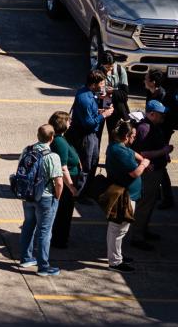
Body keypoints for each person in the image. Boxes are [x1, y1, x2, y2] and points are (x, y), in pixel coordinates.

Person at [16, 123, 64, 275]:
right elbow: (59, 182)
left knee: (28, 225)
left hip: (28, 196)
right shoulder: (52, 156)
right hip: (45, 198)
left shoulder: (27, 150)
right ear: (52, 138)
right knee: (44, 232)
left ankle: (25, 258)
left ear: (38, 136)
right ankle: (43, 266)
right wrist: (57, 197)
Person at [128, 99, 171, 251]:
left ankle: (144, 230)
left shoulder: (153, 126)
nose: (163, 117)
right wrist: (164, 151)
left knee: (150, 203)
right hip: (149, 174)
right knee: (144, 205)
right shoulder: (145, 129)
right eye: (161, 114)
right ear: (152, 114)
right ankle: (137, 236)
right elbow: (143, 153)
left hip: (155, 171)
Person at [107, 120, 148, 271]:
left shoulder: (117, 146)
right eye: (134, 135)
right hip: (124, 196)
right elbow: (134, 172)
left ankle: (117, 256)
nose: (135, 138)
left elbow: (132, 153)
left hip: (128, 194)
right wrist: (144, 164)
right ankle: (115, 262)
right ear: (126, 136)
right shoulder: (120, 151)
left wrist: (141, 159)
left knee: (119, 229)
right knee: (118, 229)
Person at [67, 69, 114, 200]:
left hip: (90, 135)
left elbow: (88, 113)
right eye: (102, 83)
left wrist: (98, 111)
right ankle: (79, 195)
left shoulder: (86, 92)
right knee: (87, 165)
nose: (103, 85)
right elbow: (89, 123)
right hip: (86, 136)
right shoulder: (85, 99)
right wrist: (104, 115)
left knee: (93, 161)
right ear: (94, 84)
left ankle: (86, 191)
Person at [48, 110, 82, 250]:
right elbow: (63, 167)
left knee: (64, 212)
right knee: (63, 213)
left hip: (69, 180)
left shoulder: (61, 138)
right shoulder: (60, 142)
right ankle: (59, 240)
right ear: (62, 123)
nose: (70, 122)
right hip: (67, 183)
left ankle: (60, 238)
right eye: (68, 120)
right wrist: (72, 187)